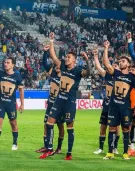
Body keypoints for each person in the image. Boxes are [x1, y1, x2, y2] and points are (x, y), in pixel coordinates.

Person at [39, 32, 91, 160]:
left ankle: (69, 153)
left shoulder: (78, 70)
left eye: (68, 57)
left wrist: (87, 60)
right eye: (66, 57)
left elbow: (88, 72)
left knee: (69, 127)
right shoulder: (62, 66)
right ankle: (50, 149)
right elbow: (53, 56)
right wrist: (51, 41)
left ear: (74, 60)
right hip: (58, 101)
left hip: (69, 103)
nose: (66, 58)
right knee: (49, 123)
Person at [102, 40, 135, 160]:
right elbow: (106, 63)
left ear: (129, 64)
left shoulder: (133, 77)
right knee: (112, 128)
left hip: (125, 108)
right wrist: (106, 48)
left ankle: (125, 152)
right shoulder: (116, 73)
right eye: (119, 61)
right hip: (114, 106)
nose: (120, 62)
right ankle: (110, 152)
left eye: (123, 61)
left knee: (125, 129)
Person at [35, 45, 64, 154]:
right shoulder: (53, 72)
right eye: (55, 64)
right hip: (51, 103)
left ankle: (59, 148)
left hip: (60, 104)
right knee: (46, 124)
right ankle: (46, 146)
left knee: (60, 126)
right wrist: (45, 52)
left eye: (58, 65)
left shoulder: (65, 75)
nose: (56, 66)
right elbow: (44, 63)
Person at [93, 49, 120, 155]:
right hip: (106, 105)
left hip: (116, 106)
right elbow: (99, 67)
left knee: (116, 128)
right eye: (113, 66)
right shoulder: (107, 75)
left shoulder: (121, 77)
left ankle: (115, 147)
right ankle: (101, 148)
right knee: (103, 126)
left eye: (116, 66)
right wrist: (95, 56)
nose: (113, 68)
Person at [0, 57, 24, 150]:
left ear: (13, 65)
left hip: (11, 104)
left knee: (13, 123)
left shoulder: (17, 77)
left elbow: (21, 91)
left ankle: (15, 143)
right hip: (1, 103)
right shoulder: (1, 73)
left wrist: (22, 104)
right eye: (5, 62)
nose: (5, 64)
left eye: (8, 62)